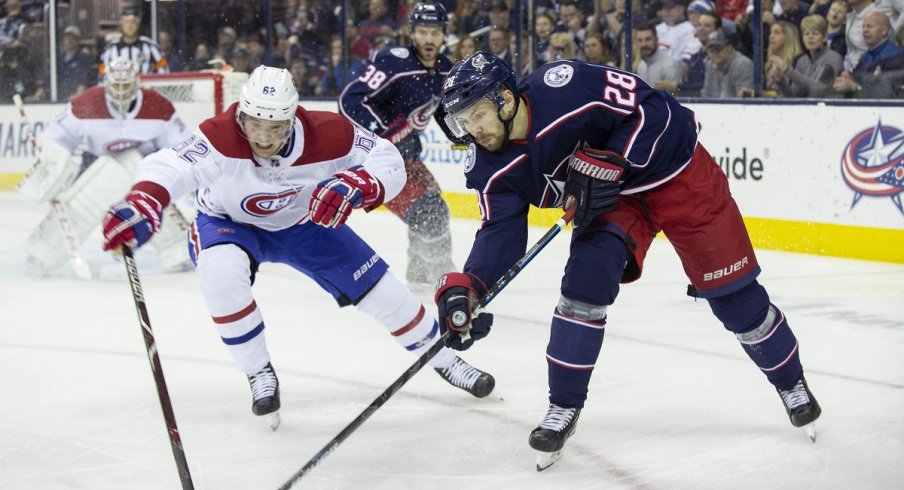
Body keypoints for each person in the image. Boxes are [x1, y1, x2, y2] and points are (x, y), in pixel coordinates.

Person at [436, 52, 822, 468]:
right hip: (613, 201)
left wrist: (614, 158)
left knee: (734, 299)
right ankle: (563, 406)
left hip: (678, 174)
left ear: (506, 100)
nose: (472, 130)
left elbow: (654, 108)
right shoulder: (488, 165)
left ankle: (790, 382)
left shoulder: (567, 85)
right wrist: (470, 285)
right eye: (463, 120)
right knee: (584, 284)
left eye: (477, 114)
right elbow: (500, 230)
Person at [99, 65, 495, 428]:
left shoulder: (328, 132)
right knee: (220, 276)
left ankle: (445, 359)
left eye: (276, 127)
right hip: (228, 223)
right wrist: (144, 200)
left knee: (385, 292)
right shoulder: (218, 136)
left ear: (293, 118)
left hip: (305, 223)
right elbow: (171, 166)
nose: (265, 138)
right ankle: (258, 371)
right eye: (255, 126)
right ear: (241, 115)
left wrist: (361, 185)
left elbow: (386, 159)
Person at [19, 58, 192, 276]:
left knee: (153, 197)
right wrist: (51, 162)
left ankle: (177, 251)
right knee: (81, 205)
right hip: (97, 162)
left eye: (125, 85)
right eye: (116, 86)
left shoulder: (158, 106)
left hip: (144, 166)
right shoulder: (87, 103)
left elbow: (180, 146)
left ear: (136, 83)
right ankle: (42, 253)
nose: (120, 91)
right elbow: (57, 135)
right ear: (106, 84)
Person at [339, 3, 462, 286]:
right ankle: (442, 276)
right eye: (422, 32)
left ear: (445, 34)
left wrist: (465, 139)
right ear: (411, 32)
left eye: (435, 32)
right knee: (429, 211)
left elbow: (445, 111)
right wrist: (382, 136)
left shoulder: (446, 69)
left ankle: (422, 274)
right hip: (376, 159)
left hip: (405, 156)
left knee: (433, 208)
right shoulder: (392, 62)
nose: (428, 39)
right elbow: (350, 100)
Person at [773, 14, 843, 97]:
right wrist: (781, 81)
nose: (810, 37)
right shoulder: (802, 61)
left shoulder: (833, 58)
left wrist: (788, 71)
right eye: (806, 34)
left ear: (824, 37)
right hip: (806, 108)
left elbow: (820, 90)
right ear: (802, 38)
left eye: (815, 33)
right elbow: (794, 96)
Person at [99, 7, 168, 75]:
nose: (130, 25)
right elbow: (102, 74)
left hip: (144, 85)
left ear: (138, 24)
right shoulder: (110, 49)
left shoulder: (151, 47)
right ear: (121, 25)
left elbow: (163, 71)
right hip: (118, 86)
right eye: (126, 22)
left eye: (133, 22)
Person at [701, 30, 756, 97]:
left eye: (719, 49)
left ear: (729, 48)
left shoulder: (743, 64)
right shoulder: (709, 65)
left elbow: (744, 99)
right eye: (712, 51)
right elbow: (706, 94)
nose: (715, 53)